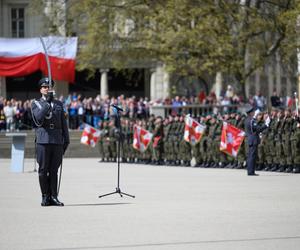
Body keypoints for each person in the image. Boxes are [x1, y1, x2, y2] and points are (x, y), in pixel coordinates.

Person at [31, 78, 69, 206]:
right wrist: (47, 103)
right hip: (43, 139)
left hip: (57, 139)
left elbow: (64, 123)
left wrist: (66, 138)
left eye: (49, 87)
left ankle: (54, 196)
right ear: (41, 89)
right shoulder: (36, 103)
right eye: (45, 87)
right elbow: (38, 119)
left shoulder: (59, 104)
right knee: (43, 170)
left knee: (54, 170)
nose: (47, 89)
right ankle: (45, 196)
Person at [244, 106, 269, 176]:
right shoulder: (252, 120)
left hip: (250, 139)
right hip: (253, 139)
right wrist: (266, 125)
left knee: (250, 156)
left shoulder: (247, 120)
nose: (254, 113)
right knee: (252, 156)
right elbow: (257, 129)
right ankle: (251, 172)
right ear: (251, 113)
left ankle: (250, 171)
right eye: (253, 112)